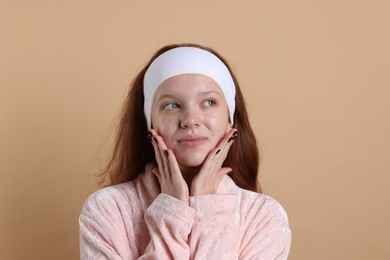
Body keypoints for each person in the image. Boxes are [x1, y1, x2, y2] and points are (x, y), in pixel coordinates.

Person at [79, 43, 291, 259]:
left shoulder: (264, 217)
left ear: (230, 119)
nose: (190, 120)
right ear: (150, 123)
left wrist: (208, 209)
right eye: (171, 105)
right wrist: (171, 213)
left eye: (209, 102)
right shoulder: (107, 210)